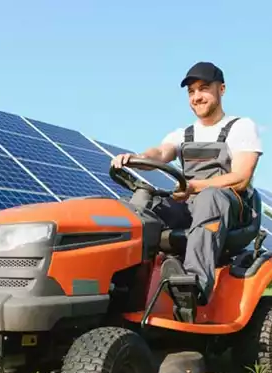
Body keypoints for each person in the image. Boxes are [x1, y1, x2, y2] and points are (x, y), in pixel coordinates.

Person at [110, 61, 263, 320]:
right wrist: (137, 157)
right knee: (139, 206)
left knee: (210, 198)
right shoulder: (183, 134)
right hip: (189, 203)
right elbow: (160, 153)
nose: (196, 97)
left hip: (230, 207)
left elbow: (240, 178)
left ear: (221, 89)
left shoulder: (240, 127)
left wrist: (194, 187)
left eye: (203, 89)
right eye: (191, 92)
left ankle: (192, 286)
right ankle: (122, 286)